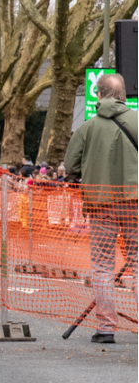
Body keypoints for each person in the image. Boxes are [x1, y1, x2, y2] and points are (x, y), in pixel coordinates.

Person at [64, 73, 137, 344]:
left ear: (99, 94)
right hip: (135, 201)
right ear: (123, 94)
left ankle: (106, 327)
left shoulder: (87, 128)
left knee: (103, 266)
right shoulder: (137, 121)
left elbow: (71, 166)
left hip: (100, 204)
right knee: (138, 262)